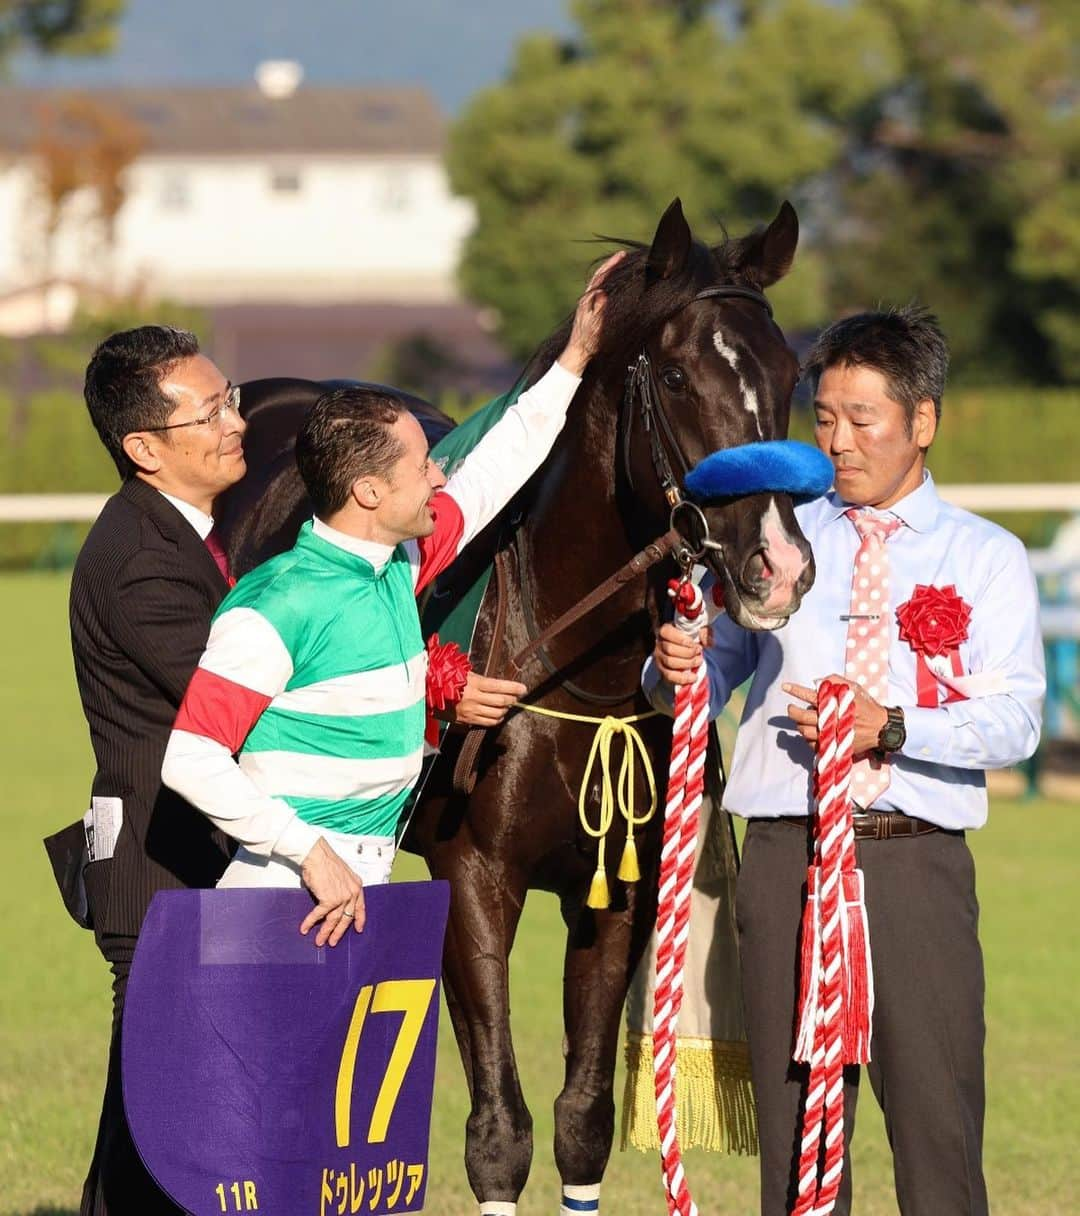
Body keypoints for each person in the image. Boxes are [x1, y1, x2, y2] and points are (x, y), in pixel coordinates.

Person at [643, 307, 1044, 1216]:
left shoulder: (987, 558)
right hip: (785, 857)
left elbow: (1016, 719)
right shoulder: (773, 536)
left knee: (938, 1129)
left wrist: (890, 727)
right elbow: (704, 678)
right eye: (823, 417)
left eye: (863, 420)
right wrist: (672, 666)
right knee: (796, 1140)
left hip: (914, 862)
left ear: (922, 421)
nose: (838, 441)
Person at [161, 252, 624, 948]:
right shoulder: (275, 605)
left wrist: (576, 356)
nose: (441, 472)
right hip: (284, 895)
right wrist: (311, 855)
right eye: (421, 464)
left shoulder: (399, 560)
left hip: (366, 890)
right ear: (370, 492)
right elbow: (189, 758)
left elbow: (497, 469)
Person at [68, 325, 247, 1214]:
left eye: (231, 398)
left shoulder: (197, 535)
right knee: (157, 1136)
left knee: (147, 1129)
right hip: (161, 867)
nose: (234, 423)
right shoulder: (143, 560)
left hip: (184, 864)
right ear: (144, 448)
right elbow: (235, 703)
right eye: (210, 413)